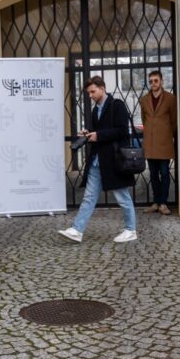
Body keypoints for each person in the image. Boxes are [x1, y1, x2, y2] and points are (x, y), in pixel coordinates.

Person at [58, 75, 137, 243]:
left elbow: (122, 131)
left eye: (93, 91)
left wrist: (99, 135)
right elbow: (97, 132)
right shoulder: (95, 110)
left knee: (123, 197)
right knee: (89, 197)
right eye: (89, 93)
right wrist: (88, 134)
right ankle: (77, 230)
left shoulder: (117, 106)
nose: (91, 95)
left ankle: (131, 230)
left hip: (113, 162)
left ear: (102, 88)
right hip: (97, 162)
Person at [139, 70, 177, 215]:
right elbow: (145, 120)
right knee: (153, 174)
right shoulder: (144, 100)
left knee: (165, 173)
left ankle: (163, 203)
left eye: (155, 80)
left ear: (161, 81)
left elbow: (174, 121)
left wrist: (168, 134)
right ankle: (156, 202)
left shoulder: (170, 99)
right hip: (150, 143)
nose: (153, 83)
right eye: (151, 81)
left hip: (164, 142)